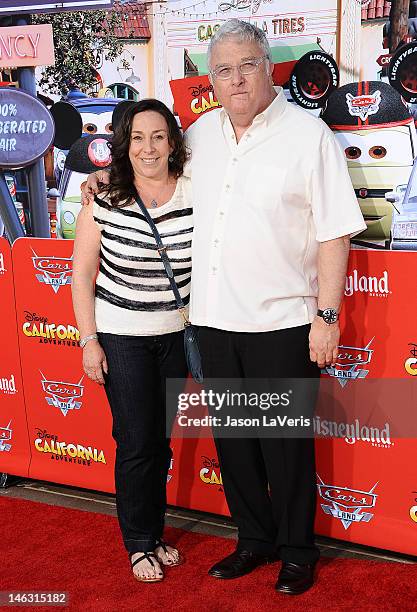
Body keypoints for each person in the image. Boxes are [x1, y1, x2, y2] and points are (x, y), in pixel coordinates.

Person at [82, 20, 366, 595]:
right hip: (213, 323)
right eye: (224, 71)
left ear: (268, 68)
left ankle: (296, 550)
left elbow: (335, 235)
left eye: (248, 66)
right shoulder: (202, 135)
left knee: (284, 446)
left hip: (284, 321)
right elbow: (148, 171)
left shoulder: (308, 136)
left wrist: (328, 317)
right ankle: (254, 540)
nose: (236, 80)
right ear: (211, 80)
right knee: (236, 447)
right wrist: (101, 177)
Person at [72, 99, 192, 583]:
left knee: (159, 443)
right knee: (136, 442)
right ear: (125, 145)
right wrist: (88, 340)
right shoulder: (103, 197)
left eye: (158, 136)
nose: (148, 147)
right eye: (138, 138)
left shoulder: (194, 189)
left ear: (172, 142)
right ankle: (139, 543)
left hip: (177, 337)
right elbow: (82, 274)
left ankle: (155, 533)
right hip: (121, 338)